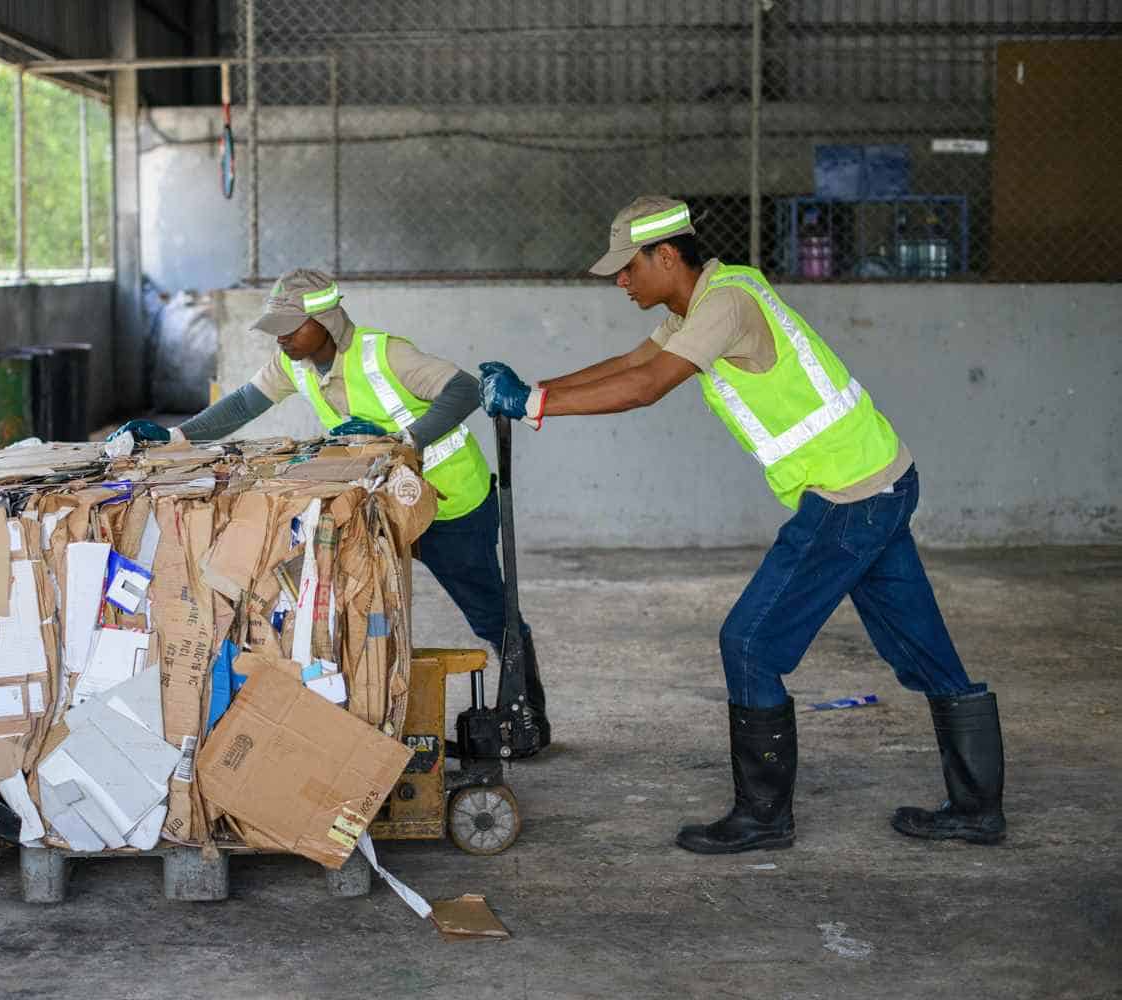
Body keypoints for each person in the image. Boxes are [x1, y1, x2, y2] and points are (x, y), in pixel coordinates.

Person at [478, 196, 1004, 849]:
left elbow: (648, 388)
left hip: (848, 496)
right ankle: (978, 809)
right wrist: (534, 392)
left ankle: (762, 818)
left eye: (627, 268)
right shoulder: (708, 297)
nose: (621, 281)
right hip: (882, 479)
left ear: (666, 256)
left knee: (750, 644)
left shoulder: (722, 307)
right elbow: (632, 365)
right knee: (922, 647)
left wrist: (533, 404)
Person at [115, 267, 550, 753]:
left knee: (491, 613)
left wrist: (403, 442)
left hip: (449, 504)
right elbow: (242, 405)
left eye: (291, 327)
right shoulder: (295, 364)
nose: (281, 339)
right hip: (381, 509)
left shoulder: (384, 354)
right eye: (276, 329)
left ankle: (527, 713)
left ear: (325, 319)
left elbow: (465, 389)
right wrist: (175, 437)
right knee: (358, 614)